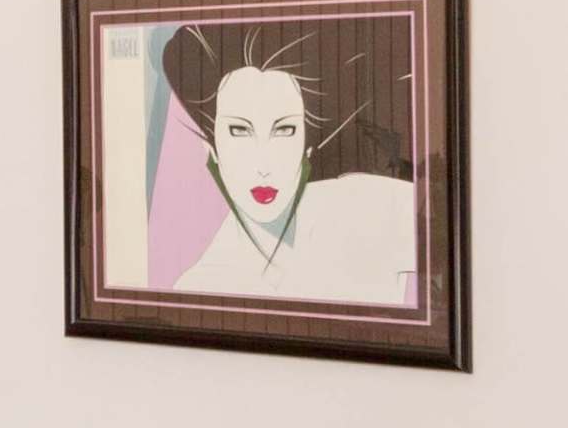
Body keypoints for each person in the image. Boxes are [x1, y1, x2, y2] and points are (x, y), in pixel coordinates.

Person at [156, 24, 416, 307]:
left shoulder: (368, 203)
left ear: (307, 145)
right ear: (212, 150)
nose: (263, 165)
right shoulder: (203, 284)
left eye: (284, 130)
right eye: (240, 131)